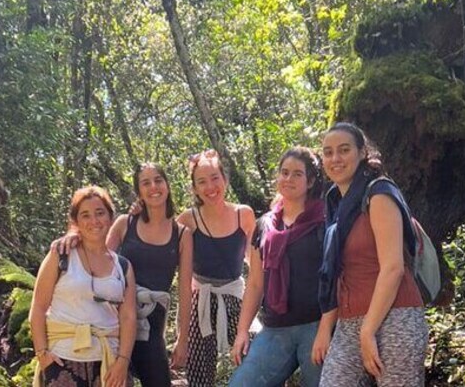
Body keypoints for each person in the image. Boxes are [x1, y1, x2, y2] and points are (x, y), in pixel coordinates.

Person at [53, 164, 194, 387]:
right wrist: (73, 234)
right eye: (145, 183)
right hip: (112, 320)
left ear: (167, 185)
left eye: (158, 180)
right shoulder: (124, 224)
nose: (153, 187)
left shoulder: (181, 234)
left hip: (151, 324)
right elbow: (96, 254)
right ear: (139, 191)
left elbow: (185, 289)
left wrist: (182, 338)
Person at [317, 122, 428, 386]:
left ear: (361, 152)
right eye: (328, 152)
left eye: (344, 150)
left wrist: (368, 331)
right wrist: (326, 327)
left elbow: (393, 268)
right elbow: (337, 272)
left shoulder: (379, 193)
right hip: (350, 321)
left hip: (395, 316)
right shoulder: (336, 203)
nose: (335, 159)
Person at [229, 147, 332, 387]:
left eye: (297, 174)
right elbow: (255, 283)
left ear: (311, 181)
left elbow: (335, 279)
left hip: (316, 325)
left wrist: (327, 329)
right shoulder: (264, 225)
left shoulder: (325, 221)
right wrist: (243, 330)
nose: (288, 179)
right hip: (276, 328)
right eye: (284, 173)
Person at [29, 186, 136, 387]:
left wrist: (123, 360)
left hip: (109, 361)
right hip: (63, 359)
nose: (94, 221)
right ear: (76, 221)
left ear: (110, 218)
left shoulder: (123, 266)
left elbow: (128, 317)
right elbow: (39, 307)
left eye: (100, 213)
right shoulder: (60, 255)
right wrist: (43, 355)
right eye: (85, 215)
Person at [177, 149, 256, 387]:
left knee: (255, 357)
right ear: (194, 188)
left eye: (215, 178)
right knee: (199, 370)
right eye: (202, 181)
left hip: (235, 295)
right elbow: (168, 256)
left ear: (225, 179)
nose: (210, 187)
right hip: (200, 298)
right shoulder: (187, 220)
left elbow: (255, 263)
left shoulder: (244, 214)